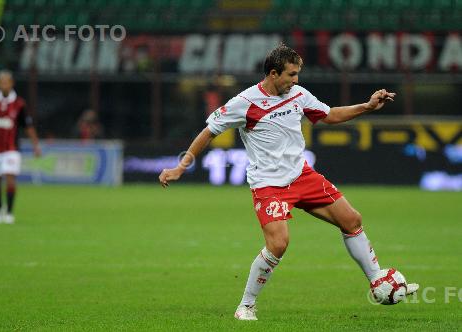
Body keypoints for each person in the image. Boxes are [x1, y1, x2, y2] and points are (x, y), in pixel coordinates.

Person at [158, 44, 419, 320]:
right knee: (279, 244)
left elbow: (329, 115)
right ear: (273, 73)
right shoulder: (245, 103)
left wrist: (366, 107)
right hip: (269, 186)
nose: (296, 80)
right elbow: (209, 131)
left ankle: (378, 282)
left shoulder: (298, 95)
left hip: (302, 176)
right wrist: (180, 167)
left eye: (297, 74)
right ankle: (246, 305)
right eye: (292, 74)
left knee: (352, 220)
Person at [0, 69, 41, 224]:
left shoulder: (19, 103)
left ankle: (10, 212)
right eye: (2, 82)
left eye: (7, 82)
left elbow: (28, 126)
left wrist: (35, 145)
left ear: (11, 83)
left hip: (11, 148)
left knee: (10, 178)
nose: (4, 85)